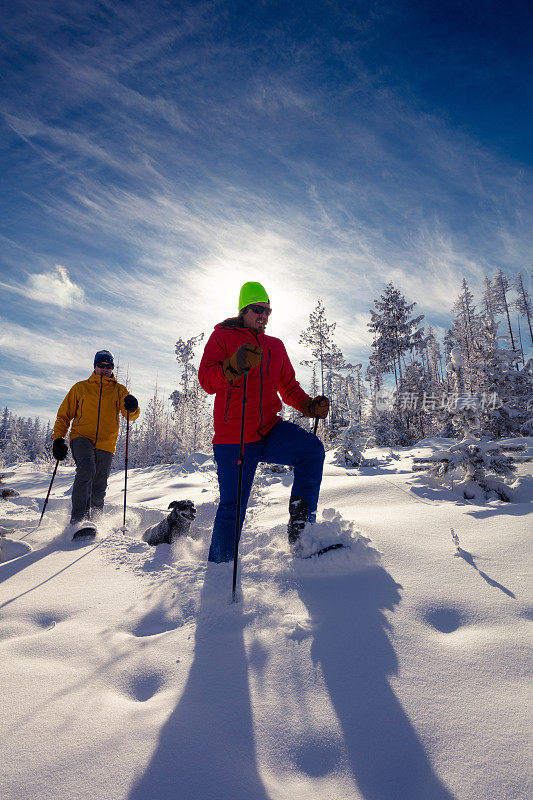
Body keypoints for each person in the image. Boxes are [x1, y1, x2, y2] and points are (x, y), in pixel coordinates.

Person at [198, 281, 330, 563]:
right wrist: (232, 366)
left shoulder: (275, 346)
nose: (264, 316)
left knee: (311, 450)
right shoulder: (221, 337)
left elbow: (289, 387)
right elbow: (207, 381)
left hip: (268, 429)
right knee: (232, 508)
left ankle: (301, 532)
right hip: (234, 437)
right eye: (258, 309)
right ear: (243, 311)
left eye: (268, 311)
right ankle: (221, 568)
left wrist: (308, 405)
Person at [52, 349, 140, 528]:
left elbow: (130, 415)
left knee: (99, 485)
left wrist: (133, 406)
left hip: (107, 442)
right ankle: (78, 522)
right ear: (95, 366)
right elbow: (64, 415)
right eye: (101, 365)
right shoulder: (80, 387)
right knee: (86, 469)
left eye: (109, 366)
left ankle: (95, 523)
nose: (105, 369)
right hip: (81, 436)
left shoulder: (119, 390)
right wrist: (58, 439)